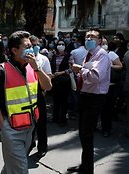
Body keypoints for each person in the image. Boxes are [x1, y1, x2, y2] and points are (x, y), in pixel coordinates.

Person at [0, 31, 51, 174]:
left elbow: (48, 86)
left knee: (13, 166)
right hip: (12, 130)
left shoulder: (32, 67)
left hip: (30, 127)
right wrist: (3, 126)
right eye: (27, 46)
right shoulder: (2, 71)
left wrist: (37, 68)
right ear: (14, 50)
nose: (32, 48)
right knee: (21, 169)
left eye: (32, 45)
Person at [68, 28, 111, 174]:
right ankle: (85, 165)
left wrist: (80, 69)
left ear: (100, 40)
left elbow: (95, 76)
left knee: (87, 134)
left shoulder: (102, 55)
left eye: (92, 37)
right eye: (87, 37)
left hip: (94, 98)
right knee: (83, 133)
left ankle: (87, 169)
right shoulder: (90, 54)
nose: (89, 40)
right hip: (85, 95)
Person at [28, 35, 52, 158]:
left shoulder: (44, 59)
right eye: (32, 45)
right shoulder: (24, 61)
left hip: (39, 93)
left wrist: (44, 90)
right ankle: (30, 143)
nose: (35, 46)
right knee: (28, 121)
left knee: (41, 122)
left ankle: (42, 147)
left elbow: (49, 76)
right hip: (26, 94)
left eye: (37, 44)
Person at [50, 39, 73, 127]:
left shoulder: (69, 56)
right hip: (55, 81)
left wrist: (61, 72)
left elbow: (71, 69)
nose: (60, 45)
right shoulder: (54, 56)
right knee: (56, 100)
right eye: (59, 44)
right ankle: (55, 117)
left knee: (64, 101)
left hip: (64, 80)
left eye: (62, 44)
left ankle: (63, 119)